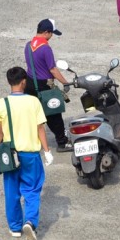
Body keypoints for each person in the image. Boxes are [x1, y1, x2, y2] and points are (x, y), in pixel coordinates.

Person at [0, 67, 53, 240]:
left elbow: (0, 131)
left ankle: (14, 228)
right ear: (23, 82)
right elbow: (40, 128)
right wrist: (47, 151)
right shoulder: (33, 102)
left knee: (11, 191)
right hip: (30, 155)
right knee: (32, 190)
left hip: (11, 155)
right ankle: (30, 222)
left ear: (9, 82)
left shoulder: (1, 103)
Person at [25, 19, 72, 152]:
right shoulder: (45, 48)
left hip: (29, 83)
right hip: (44, 85)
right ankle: (62, 142)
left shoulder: (28, 45)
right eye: (51, 33)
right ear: (46, 32)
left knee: (33, 114)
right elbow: (53, 69)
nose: (52, 36)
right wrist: (65, 82)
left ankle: (30, 139)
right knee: (54, 114)